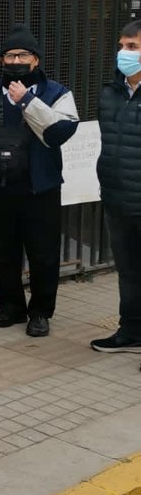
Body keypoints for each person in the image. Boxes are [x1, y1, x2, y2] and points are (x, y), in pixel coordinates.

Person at [0, 24, 78, 337]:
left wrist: (27, 100)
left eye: (23, 54)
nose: (16, 61)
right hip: (0, 188)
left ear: (36, 60)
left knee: (43, 253)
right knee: (4, 252)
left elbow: (59, 133)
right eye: (10, 55)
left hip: (40, 187)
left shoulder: (57, 93)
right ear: (2, 61)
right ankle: (10, 307)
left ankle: (40, 312)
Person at [90, 20, 141, 355]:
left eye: (133, 47)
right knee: (128, 270)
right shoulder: (110, 91)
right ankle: (130, 330)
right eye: (122, 46)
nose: (124, 53)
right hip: (118, 197)